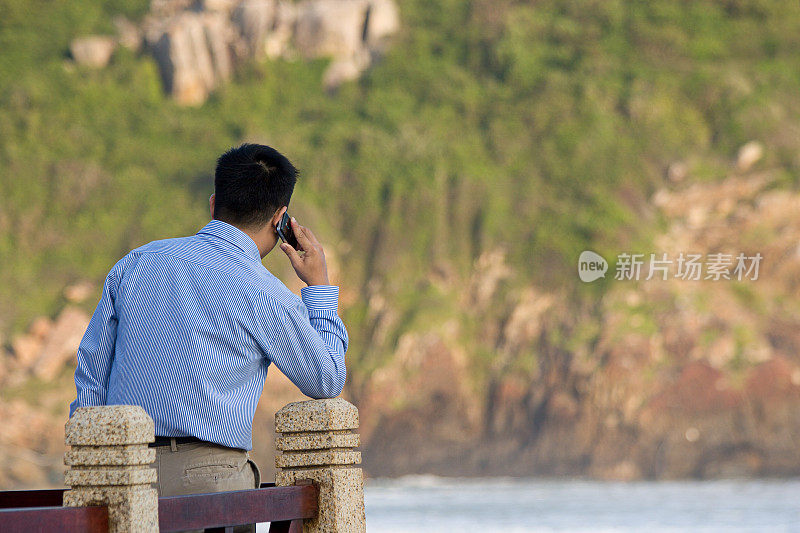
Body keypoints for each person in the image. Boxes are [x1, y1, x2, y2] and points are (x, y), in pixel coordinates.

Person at [68, 143, 348, 530]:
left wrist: (93, 471)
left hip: (123, 477)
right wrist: (318, 286)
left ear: (214, 204)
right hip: (213, 485)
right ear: (280, 219)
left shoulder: (135, 264)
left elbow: (92, 375)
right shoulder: (265, 293)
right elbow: (326, 379)